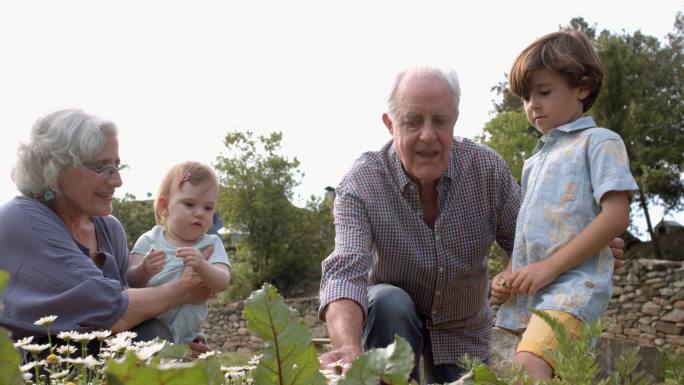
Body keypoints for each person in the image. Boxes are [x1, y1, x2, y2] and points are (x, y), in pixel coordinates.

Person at [317, 65, 627, 384]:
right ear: (389, 124)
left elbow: (531, 240)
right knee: (387, 301)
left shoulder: (486, 170)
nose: (427, 135)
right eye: (412, 121)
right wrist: (348, 348)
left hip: (463, 331)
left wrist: (585, 244)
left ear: (454, 120)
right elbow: (345, 271)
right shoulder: (361, 182)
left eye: (440, 120)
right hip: (391, 326)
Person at [0, 108, 212, 356]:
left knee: (152, 334)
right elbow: (113, 315)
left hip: (92, 361)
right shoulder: (20, 219)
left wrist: (181, 343)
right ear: (54, 169)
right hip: (32, 366)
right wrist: (182, 289)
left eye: (117, 165)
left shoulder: (109, 229)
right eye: (102, 167)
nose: (117, 180)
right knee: (150, 335)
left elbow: (135, 317)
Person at [491, 30, 637, 381]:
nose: (532, 105)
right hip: (535, 295)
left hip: (573, 289)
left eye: (543, 92)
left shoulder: (600, 142)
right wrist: (508, 273)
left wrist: (549, 268)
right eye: (526, 97)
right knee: (546, 373)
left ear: (582, 88)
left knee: (528, 369)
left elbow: (617, 215)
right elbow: (525, 229)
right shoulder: (533, 163)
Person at [127, 161, 230, 345]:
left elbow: (222, 282)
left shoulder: (211, 243)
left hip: (190, 337)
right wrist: (144, 269)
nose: (200, 213)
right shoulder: (151, 239)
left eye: (208, 208)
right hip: (148, 332)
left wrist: (202, 266)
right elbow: (131, 281)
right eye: (189, 204)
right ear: (164, 206)